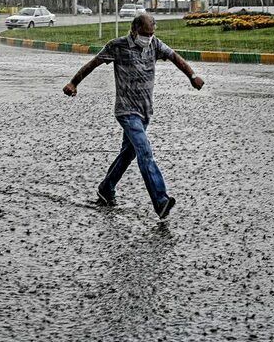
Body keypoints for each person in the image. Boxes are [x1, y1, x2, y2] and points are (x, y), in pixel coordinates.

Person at [63, 14, 204, 219]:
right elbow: (93, 64)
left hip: (145, 111)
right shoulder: (117, 46)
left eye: (151, 33)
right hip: (127, 111)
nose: (148, 38)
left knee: (128, 153)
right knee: (144, 151)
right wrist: (73, 83)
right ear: (134, 30)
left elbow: (175, 57)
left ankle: (106, 188)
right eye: (145, 34)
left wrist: (192, 76)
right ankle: (160, 200)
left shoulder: (154, 44)